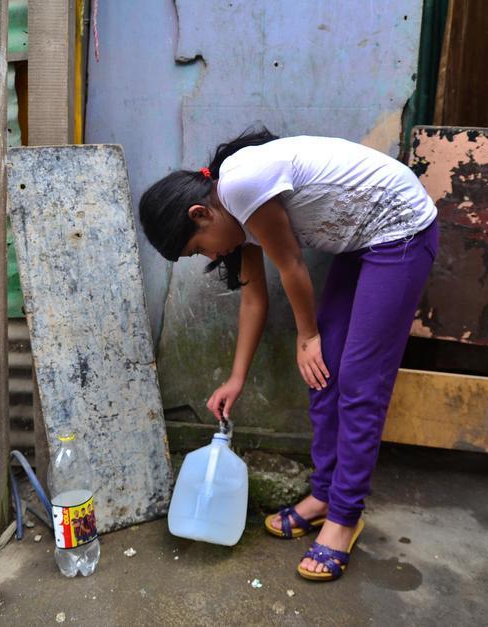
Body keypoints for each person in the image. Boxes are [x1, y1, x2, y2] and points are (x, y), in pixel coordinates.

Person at [139, 126, 438, 581]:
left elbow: (293, 265)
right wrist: (236, 379)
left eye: (199, 247)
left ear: (200, 213)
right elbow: (255, 300)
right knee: (324, 373)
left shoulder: (241, 187)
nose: (210, 255)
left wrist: (308, 335)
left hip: (399, 230)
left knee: (358, 381)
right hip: (362, 240)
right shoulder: (238, 218)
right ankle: (324, 495)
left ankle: (345, 517)